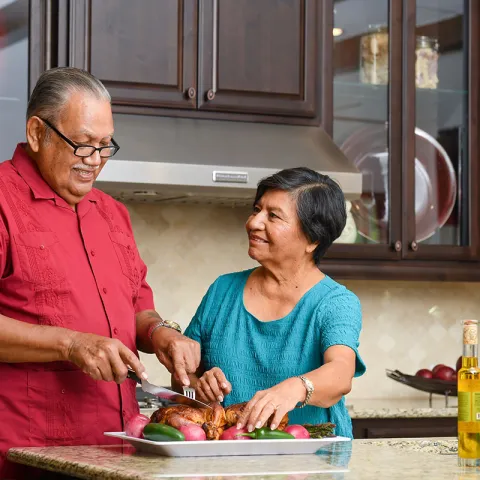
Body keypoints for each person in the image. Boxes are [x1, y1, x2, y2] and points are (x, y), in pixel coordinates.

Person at [0, 67, 200, 478]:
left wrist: (162, 333)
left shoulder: (112, 213)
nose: (95, 161)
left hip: (117, 453)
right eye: (83, 145)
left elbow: (138, 308)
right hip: (27, 456)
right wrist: (71, 344)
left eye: (105, 146)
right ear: (37, 133)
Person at [183, 167, 366, 438]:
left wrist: (294, 388)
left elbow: (341, 373)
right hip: (226, 461)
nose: (254, 222)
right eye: (257, 209)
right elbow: (182, 377)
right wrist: (198, 386)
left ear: (312, 239)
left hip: (312, 464)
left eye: (273, 216)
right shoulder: (222, 290)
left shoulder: (335, 302)